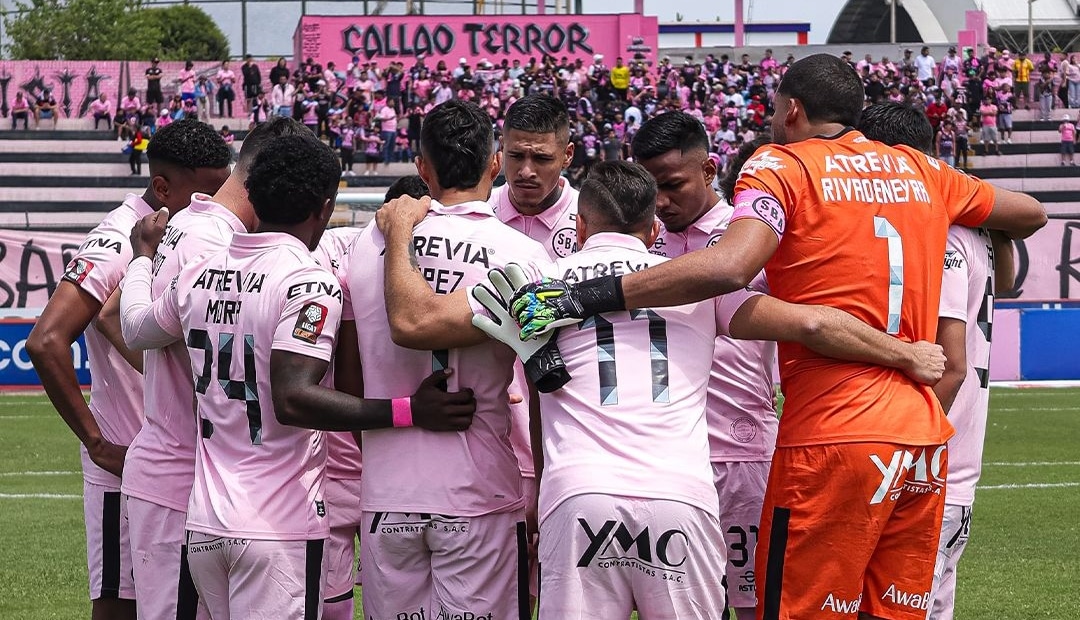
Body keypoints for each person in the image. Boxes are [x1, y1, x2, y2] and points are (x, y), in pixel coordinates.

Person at [505, 53, 1047, 620]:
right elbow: (1030, 213)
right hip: (919, 433)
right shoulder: (923, 170)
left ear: (791, 110)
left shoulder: (782, 165)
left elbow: (732, 268)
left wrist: (590, 295)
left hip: (833, 427)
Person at [119, 132, 476, 619]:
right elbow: (294, 399)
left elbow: (136, 329)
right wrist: (408, 410)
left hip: (204, 520)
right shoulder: (308, 280)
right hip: (277, 525)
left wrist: (141, 260)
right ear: (324, 208)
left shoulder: (200, 272)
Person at [343, 99, 548, 620]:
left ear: (422, 167)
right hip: (478, 492)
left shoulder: (367, 245)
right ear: (495, 163)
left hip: (386, 492)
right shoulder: (521, 254)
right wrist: (545, 483)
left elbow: (347, 374)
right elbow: (547, 384)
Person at [26, 119, 231, 620]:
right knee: (120, 607)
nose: (216, 204)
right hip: (126, 463)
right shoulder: (119, 239)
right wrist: (99, 445)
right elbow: (47, 341)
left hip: (177, 466)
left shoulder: (187, 234)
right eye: (207, 191)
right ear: (162, 187)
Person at [116, 118, 293, 620]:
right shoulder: (209, 242)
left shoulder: (192, 226)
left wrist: (141, 261)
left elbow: (128, 321)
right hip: (182, 477)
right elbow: (135, 327)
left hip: (177, 472)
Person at [856, 99, 1015, 620]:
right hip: (957, 461)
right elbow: (1006, 283)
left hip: (928, 463)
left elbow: (951, 365)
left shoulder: (939, 230)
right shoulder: (975, 225)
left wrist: (900, 448)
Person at [632, 112, 776, 620]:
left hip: (743, 452)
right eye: (650, 189)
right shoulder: (638, 245)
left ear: (710, 168)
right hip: (666, 462)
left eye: (672, 186)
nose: (662, 202)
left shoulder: (752, 238)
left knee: (758, 604)